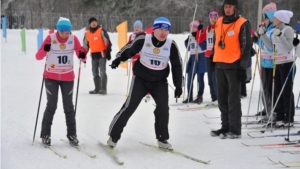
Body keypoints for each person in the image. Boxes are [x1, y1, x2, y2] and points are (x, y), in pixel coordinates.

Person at [107, 17, 183, 149]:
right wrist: (118, 59)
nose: (163, 32)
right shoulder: (143, 39)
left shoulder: (171, 44)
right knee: (130, 106)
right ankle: (114, 135)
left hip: (159, 82)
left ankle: (162, 139)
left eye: (166, 30)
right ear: (154, 29)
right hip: (141, 79)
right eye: (160, 29)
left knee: (163, 108)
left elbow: (177, 65)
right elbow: (129, 49)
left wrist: (178, 85)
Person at [35, 17, 87, 146]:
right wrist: (45, 49)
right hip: (51, 77)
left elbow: (81, 54)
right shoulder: (50, 38)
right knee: (51, 105)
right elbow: (38, 56)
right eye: (62, 31)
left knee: (69, 106)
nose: (64, 34)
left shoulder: (73, 39)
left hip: (67, 77)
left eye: (67, 32)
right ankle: (45, 134)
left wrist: (82, 56)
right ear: (58, 30)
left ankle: (72, 135)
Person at [210, 0, 252, 139]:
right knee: (222, 99)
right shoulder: (219, 21)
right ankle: (225, 126)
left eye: (230, 7)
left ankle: (235, 129)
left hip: (234, 66)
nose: (227, 9)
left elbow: (246, 47)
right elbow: (216, 41)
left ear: (235, 8)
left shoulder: (242, 23)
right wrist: (212, 58)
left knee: (233, 99)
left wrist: (242, 67)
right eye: (226, 7)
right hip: (219, 65)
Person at [259, 10, 295, 127]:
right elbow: (270, 46)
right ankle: (279, 115)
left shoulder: (288, 30)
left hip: (287, 63)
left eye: (275, 18)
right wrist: (263, 35)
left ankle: (288, 117)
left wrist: (280, 35)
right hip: (277, 62)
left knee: (286, 91)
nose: (273, 20)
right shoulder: (275, 30)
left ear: (281, 19)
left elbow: (289, 47)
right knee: (277, 90)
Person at [254, 2, 277, 117]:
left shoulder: (274, 30)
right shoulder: (267, 29)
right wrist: (256, 40)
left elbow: (271, 47)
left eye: (266, 17)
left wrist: (262, 35)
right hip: (264, 62)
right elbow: (263, 45)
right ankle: (266, 108)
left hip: (271, 63)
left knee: (269, 88)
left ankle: (271, 109)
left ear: (271, 17)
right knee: (264, 87)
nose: (264, 20)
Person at [83, 17, 112, 95]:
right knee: (94, 72)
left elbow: (107, 41)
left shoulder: (101, 31)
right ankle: (97, 89)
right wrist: (83, 53)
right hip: (93, 55)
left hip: (102, 54)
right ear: (89, 24)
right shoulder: (87, 33)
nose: (94, 23)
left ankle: (103, 89)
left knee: (102, 71)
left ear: (97, 22)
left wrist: (108, 51)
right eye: (92, 22)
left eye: (95, 21)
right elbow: (85, 45)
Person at [197, 10, 219, 104]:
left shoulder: (219, 27)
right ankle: (213, 97)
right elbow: (199, 39)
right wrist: (199, 30)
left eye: (215, 18)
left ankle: (218, 98)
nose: (213, 19)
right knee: (210, 78)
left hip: (217, 55)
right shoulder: (207, 28)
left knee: (215, 77)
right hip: (208, 55)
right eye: (211, 18)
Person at [183, 20, 206, 104]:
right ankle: (189, 96)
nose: (192, 29)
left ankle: (200, 96)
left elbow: (205, 46)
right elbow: (188, 48)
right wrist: (187, 41)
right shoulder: (191, 36)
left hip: (201, 58)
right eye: (191, 27)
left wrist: (198, 39)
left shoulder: (202, 36)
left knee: (200, 79)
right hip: (192, 59)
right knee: (189, 78)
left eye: (194, 27)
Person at [129, 20, 151, 102]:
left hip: (142, 58)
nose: (136, 28)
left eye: (138, 26)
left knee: (145, 74)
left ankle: (148, 92)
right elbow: (129, 45)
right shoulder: (131, 36)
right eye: (135, 27)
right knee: (135, 75)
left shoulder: (145, 35)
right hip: (134, 58)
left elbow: (148, 46)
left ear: (140, 27)